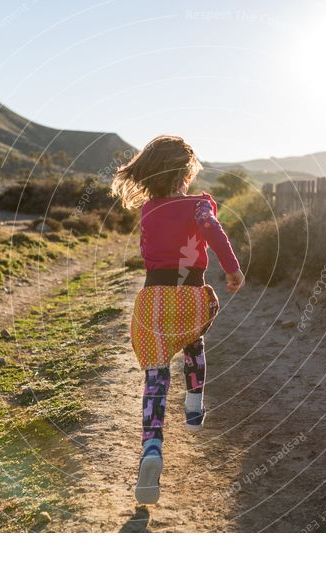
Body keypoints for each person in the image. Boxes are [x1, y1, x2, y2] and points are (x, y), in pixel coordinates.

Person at [111, 135, 245, 504]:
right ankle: (194, 403)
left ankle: (151, 447)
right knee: (194, 340)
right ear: (185, 173)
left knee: (155, 375)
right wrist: (232, 270)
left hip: (152, 301)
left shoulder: (149, 209)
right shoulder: (199, 206)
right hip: (190, 297)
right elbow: (213, 231)